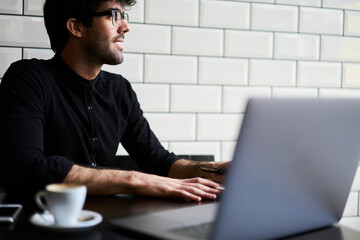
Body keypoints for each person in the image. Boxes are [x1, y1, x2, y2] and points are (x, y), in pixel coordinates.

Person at [0, 0, 228, 206]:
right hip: (38, 224)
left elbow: (159, 161)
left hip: (103, 223)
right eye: (113, 16)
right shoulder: (28, 78)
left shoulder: (119, 90)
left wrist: (218, 170)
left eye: (123, 17)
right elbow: (26, 168)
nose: (125, 28)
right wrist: (133, 179)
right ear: (76, 27)